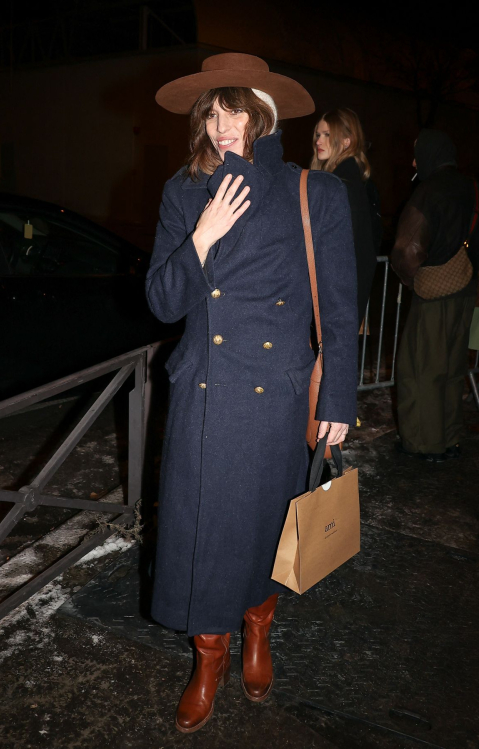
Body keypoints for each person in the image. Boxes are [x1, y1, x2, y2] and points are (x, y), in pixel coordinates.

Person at [146, 53, 358, 734]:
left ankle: (259, 627)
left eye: (237, 109)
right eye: (212, 110)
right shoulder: (183, 194)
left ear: (263, 115)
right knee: (199, 536)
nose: (224, 124)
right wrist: (202, 237)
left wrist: (339, 401)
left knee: (263, 531)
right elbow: (160, 300)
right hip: (203, 399)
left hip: (275, 401)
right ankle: (208, 658)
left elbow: (342, 309)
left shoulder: (312, 193)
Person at [392, 129, 478, 462]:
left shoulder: (428, 191)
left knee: (420, 369)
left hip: (434, 294)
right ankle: (449, 438)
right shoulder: (472, 188)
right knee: (453, 367)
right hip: (466, 291)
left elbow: (406, 250)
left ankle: (423, 444)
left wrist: (414, 280)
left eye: (418, 154)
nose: (414, 161)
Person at [311, 108, 381, 325]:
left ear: (347, 141)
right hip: (343, 300)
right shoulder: (350, 181)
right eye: (317, 135)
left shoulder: (340, 185)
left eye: (327, 135)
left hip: (335, 301)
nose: (319, 141)